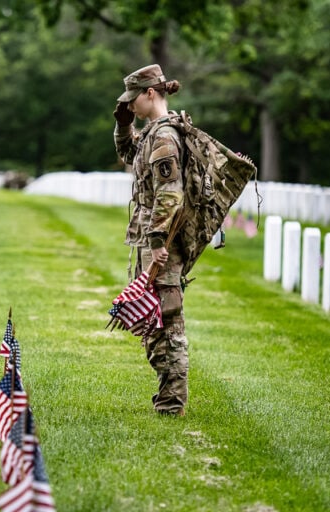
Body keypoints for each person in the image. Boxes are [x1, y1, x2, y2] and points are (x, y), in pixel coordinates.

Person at [113, 64, 188, 416]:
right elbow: (130, 156)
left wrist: (157, 241)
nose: (130, 106)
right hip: (151, 239)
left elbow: (170, 194)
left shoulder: (164, 138)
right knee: (155, 321)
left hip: (161, 242)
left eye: (133, 101)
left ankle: (172, 401)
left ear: (151, 93)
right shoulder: (151, 134)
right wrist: (123, 126)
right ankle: (167, 396)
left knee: (167, 320)